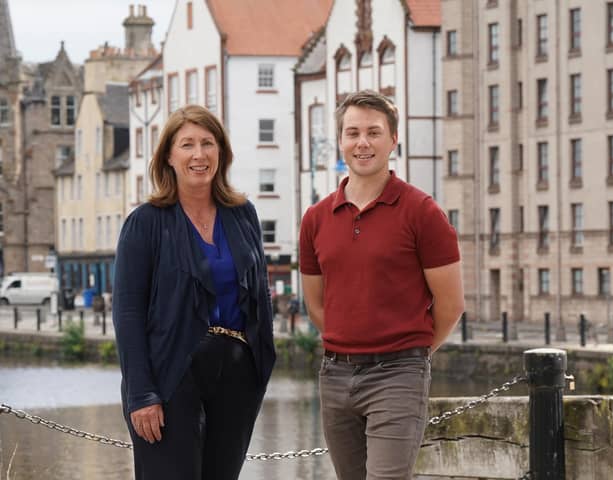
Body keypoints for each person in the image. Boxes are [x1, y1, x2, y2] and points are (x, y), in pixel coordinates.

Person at [299, 90, 465, 480]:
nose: (362, 142)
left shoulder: (423, 213)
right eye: (352, 132)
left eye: (374, 132)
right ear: (340, 141)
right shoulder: (316, 219)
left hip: (398, 374)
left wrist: (406, 351)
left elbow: (451, 304)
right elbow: (317, 305)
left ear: (393, 140)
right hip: (336, 375)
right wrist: (351, 342)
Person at [113, 105, 275, 479]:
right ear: (169, 156)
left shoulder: (243, 214)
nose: (199, 154)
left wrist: (260, 366)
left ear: (221, 151)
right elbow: (128, 314)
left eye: (208, 143)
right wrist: (141, 394)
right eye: (187, 145)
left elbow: (259, 297)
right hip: (171, 373)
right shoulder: (145, 222)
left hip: (236, 374)